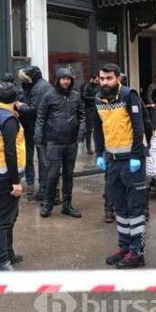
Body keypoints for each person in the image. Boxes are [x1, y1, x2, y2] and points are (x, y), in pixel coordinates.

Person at [94, 63, 147, 269]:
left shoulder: (128, 95)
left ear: (118, 79)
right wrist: (100, 153)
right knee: (120, 207)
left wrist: (136, 155)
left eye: (109, 78)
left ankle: (137, 253)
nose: (105, 82)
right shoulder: (98, 99)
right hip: (112, 161)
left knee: (135, 208)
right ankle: (125, 247)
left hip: (131, 162)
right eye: (102, 78)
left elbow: (138, 126)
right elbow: (98, 128)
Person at [0, 82, 26, 271]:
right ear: (15, 99)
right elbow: (10, 152)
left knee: (10, 215)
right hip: (6, 176)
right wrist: (16, 182)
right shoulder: (9, 120)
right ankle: (1, 260)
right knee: (4, 219)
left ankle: (8, 252)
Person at [34, 67, 85, 219]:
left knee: (68, 175)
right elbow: (41, 117)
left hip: (71, 143)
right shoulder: (48, 96)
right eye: (63, 78)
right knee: (53, 175)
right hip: (53, 142)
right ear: (57, 80)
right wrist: (38, 136)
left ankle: (67, 205)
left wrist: (81, 133)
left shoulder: (76, 96)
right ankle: (48, 204)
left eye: (68, 79)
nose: (66, 81)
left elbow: (82, 116)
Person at [18, 66, 51, 199]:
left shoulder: (39, 88)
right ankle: (39, 187)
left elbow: (34, 109)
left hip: (37, 127)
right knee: (35, 157)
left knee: (41, 159)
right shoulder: (38, 85)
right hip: (33, 126)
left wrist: (20, 106)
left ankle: (43, 190)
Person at [80, 74, 99, 155]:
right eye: (96, 80)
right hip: (89, 110)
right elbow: (84, 96)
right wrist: (94, 98)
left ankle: (97, 146)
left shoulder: (97, 87)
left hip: (96, 109)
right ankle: (89, 148)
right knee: (89, 130)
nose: (97, 81)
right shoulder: (87, 86)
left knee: (97, 129)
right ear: (92, 79)